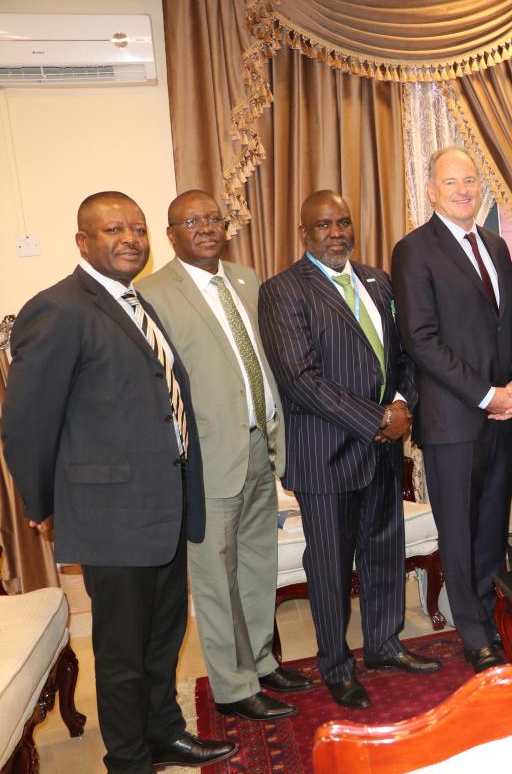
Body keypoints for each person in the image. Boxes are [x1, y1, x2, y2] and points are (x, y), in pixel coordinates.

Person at [2, 191, 236, 772]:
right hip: (110, 514)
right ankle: (129, 759)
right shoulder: (58, 308)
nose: (130, 238)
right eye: (113, 230)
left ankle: (165, 733)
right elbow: (27, 420)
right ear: (83, 241)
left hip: (162, 506)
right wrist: (45, 503)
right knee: (122, 651)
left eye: (137, 229)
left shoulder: (134, 302)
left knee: (163, 637)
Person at [259, 190, 439, 711]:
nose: (336, 233)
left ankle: (384, 645)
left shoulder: (377, 280)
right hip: (326, 455)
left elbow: (403, 352)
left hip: (383, 451)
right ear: (303, 234)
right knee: (332, 567)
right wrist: (377, 418)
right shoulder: (283, 291)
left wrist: (402, 403)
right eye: (323, 226)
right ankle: (335, 665)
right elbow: (300, 379)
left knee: (385, 555)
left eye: (343, 222)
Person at [138, 190, 312, 721]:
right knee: (215, 577)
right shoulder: (152, 294)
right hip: (207, 458)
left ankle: (260, 661)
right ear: (171, 235)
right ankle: (234, 688)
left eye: (213, 218)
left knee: (258, 565)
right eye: (192, 221)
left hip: (261, 446)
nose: (206, 227)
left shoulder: (246, 278)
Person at [392, 147, 512, 673]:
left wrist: (510, 385)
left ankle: (492, 616)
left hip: (498, 414)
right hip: (452, 420)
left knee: (491, 527)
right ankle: (473, 634)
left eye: (470, 180)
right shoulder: (413, 251)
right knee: (460, 530)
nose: (464, 190)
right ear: (430, 191)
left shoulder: (495, 244)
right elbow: (421, 340)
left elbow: (501, 328)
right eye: (452, 183)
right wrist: (485, 394)